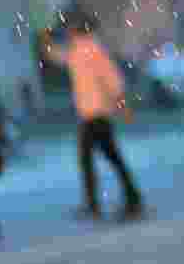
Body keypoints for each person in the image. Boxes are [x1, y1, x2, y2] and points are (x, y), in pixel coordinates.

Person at [42, 12, 144, 221]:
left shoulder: (90, 49)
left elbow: (112, 79)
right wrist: (46, 43)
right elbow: (57, 56)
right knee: (107, 157)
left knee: (97, 158)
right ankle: (120, 199)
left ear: (78, 30)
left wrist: (123, 106)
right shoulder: (81, 49)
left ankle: (103, 202)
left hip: (95, 114)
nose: (68, 31)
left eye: (71, 27)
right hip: (93, 114)